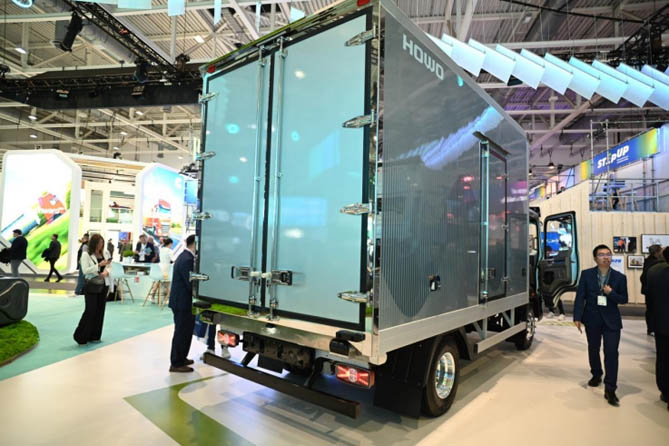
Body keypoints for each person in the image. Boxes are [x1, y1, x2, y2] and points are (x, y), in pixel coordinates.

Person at [573, 244, 628, 407]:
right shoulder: (586, 274)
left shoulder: (619, 277)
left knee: (611, 353)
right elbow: (580, 296)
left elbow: (624, 299)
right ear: (595, 258)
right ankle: (596, 374)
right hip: (592, 318)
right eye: (602, 255)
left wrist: (611, 293)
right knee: (593, 348)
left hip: (612, 321)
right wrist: (577, 316)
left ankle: (610, 389)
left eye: (608, 254)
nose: (606, 257)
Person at [73, 234, 110, 345]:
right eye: (99, 243)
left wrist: (106, 271)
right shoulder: (86, 255)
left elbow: (110, 266)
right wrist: (98, 265)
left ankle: (95, 336)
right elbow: (85, 270)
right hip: (91, 285)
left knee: (100, 310)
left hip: (103, 284)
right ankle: (81, 336)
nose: (101, 245)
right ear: (94, 243)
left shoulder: (105, 253)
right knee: (91, 310)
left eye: (102, 243)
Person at [169, 235, 197, 372]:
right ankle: (176, 363)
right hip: (182, 302)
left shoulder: (184, 257)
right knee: (182, 332)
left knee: (185, 331)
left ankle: (181, 357)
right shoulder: (187, 259)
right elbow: (190, 282)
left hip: (181, 301)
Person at [646, 247, 669, 411]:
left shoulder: (654, 271)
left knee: (663, 358)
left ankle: (665, 391)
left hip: (661, 323)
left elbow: (649, 296)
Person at [641, 244, 664, 337]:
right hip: (652, 290)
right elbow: (644, 277)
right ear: (656, 252)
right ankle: (652, 328)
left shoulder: (648, 261)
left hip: (650, 290)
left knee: (651, 309)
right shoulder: (653, 263)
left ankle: (652, 328)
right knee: (652, 310)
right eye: (660, 250)